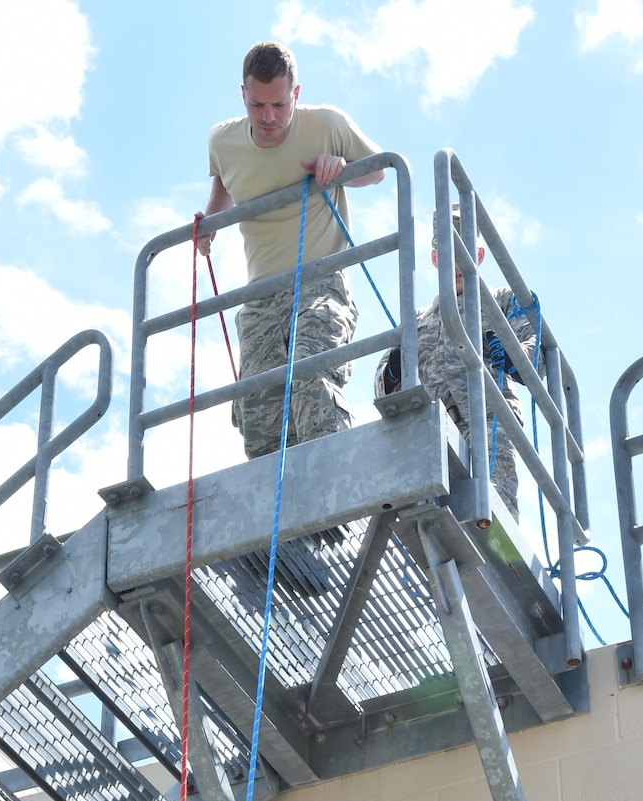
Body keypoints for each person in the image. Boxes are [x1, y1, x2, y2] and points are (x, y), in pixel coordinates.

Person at [201, 40, 384, 460]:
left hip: (321, 279)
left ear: (296, 95)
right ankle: (280, 520)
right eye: (258, 104)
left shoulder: (326, 125)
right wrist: (208, 223)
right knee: (260, 414)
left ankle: (337, 499)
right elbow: (224, 184)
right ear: (242, 95)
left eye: (280, 106)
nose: (268, 117)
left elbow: (380, 170)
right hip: (260, 297)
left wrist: (341, 170)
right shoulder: (221, 140)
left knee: (309, 371)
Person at [378, 206, 539, 520]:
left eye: (463, 252)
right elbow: (383, 387)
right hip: (430, 432)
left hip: (488, 422)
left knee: (492, 512)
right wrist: (394, 370)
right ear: (435, 259)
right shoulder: (417, 320)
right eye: (447, 253)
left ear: (478, 254)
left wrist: (510, 355)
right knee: (429, 520)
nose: (456, 263)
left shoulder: (502, 301)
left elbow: (538, 354)